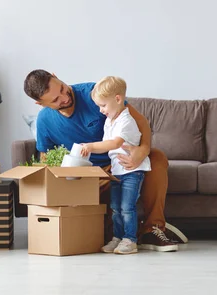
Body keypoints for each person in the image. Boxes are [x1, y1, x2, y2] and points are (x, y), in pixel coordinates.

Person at [23, 69, 182, 252]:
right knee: (101, 230)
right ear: (40, 103)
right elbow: (47, 161)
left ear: (56, 75)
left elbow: (140, 121)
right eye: (55, 100)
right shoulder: (45, 121)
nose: (64, 98)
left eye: (62, 89)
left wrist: (143, 149)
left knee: (157, 157)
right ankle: (123, 233)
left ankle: (152, 230)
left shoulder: (94, 94)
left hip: (121, 163)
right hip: (89, 177)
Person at [79, 76, 151, 255]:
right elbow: (108, 144)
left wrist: (90, 146)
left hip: (131, 171)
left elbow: (114, 143)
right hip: (117, 171)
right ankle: (118, 238)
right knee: (115, 207)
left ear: (118, 99)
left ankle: (130, 240)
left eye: (103, 105)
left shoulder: (126, 121)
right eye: (99, 106)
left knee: (127, 207)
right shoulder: (110, 121)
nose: (101, 110)